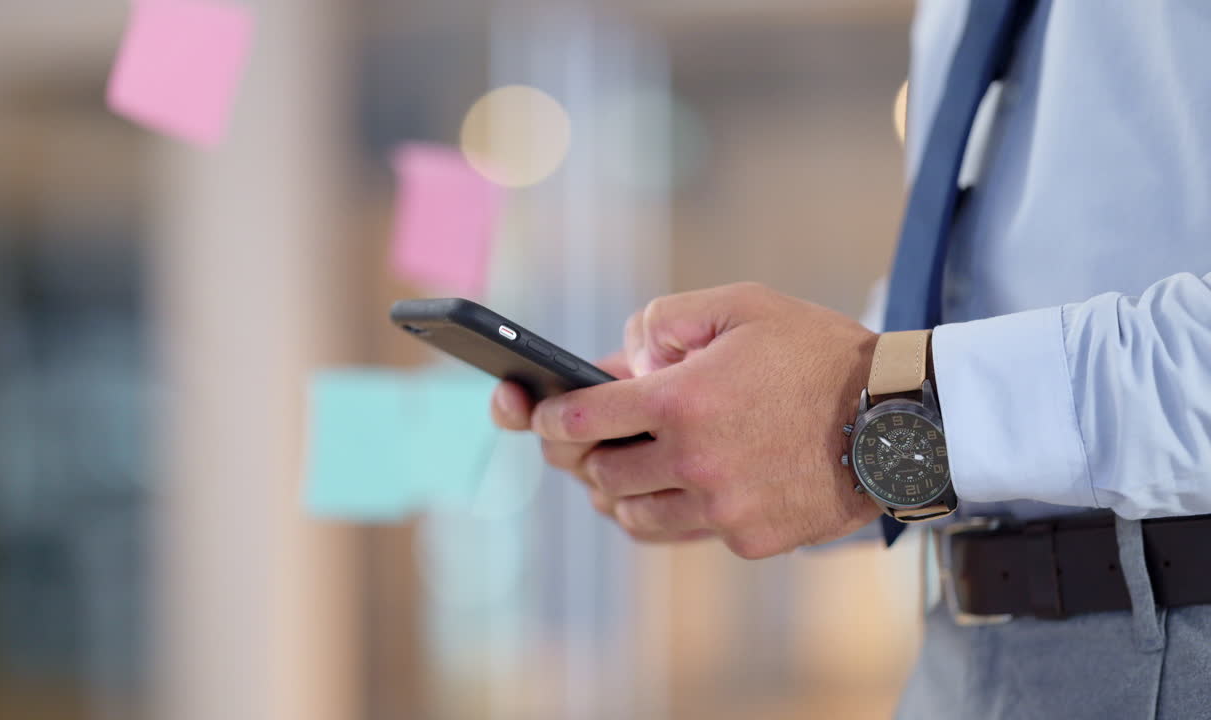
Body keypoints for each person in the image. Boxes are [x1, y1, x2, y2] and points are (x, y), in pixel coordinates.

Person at [491, 1, 1211, 718]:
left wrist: (869, 407)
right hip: (971, 644)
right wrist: (747, 418)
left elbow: (932, 396)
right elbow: (988, 315)